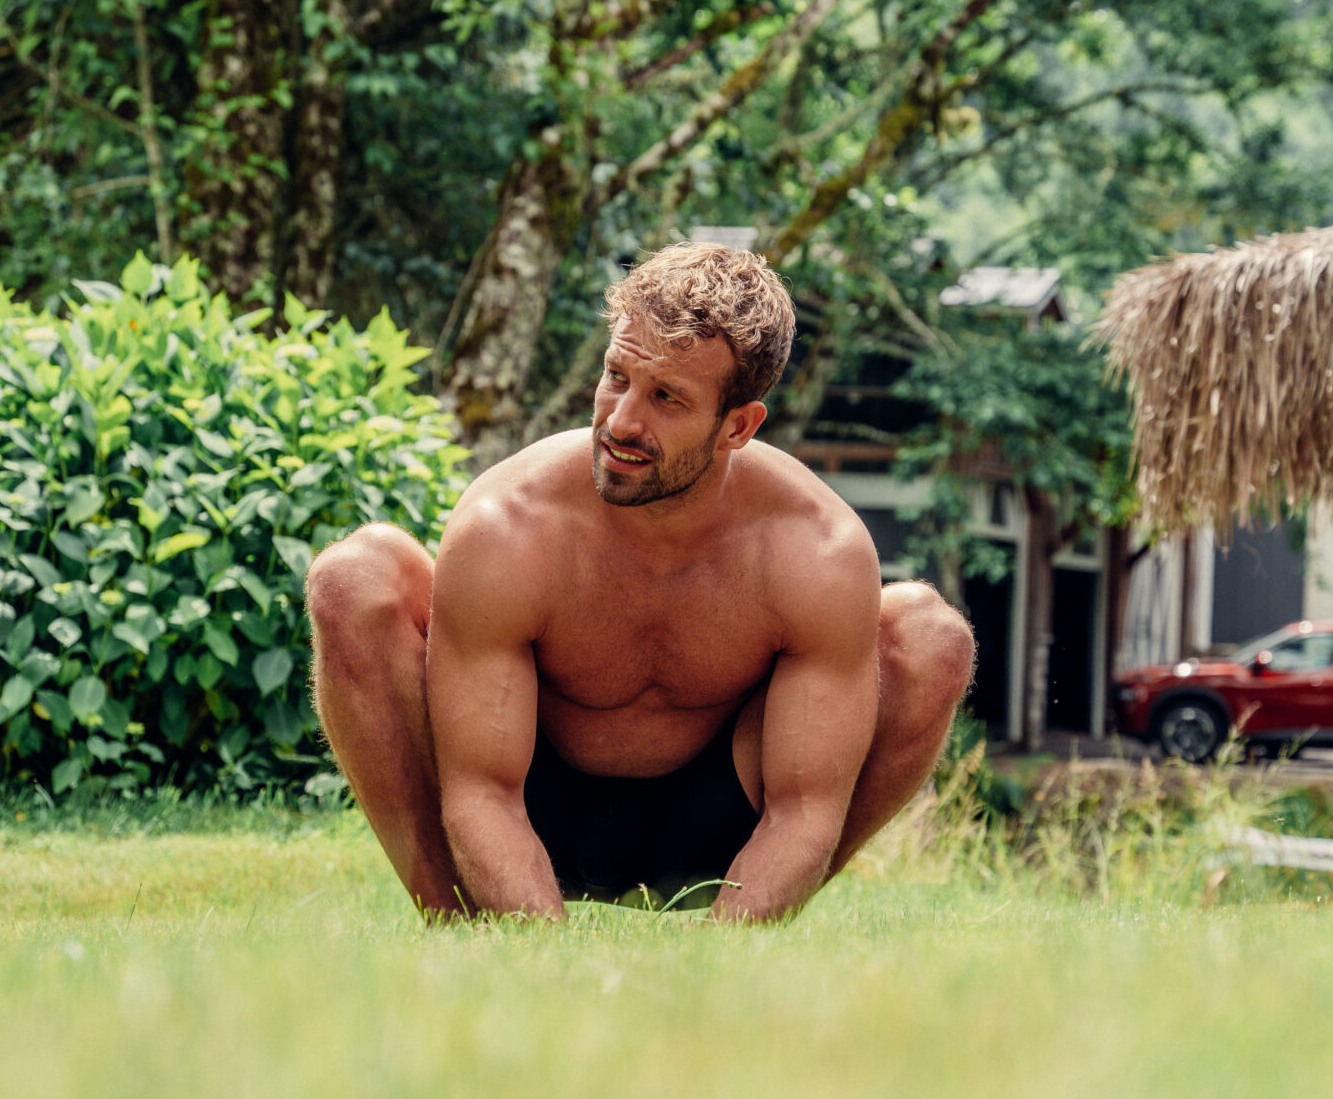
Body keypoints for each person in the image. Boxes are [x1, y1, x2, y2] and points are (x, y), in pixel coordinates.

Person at [306, 242, 977, 921]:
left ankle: (745, 931)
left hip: (718, 820)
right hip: (530, 799)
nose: (622, 421)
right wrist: (540, 958)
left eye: (666, 398)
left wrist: (717, 969)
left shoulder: (816, 550)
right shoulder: (511, 523)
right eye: (616, 377)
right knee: (353, 576)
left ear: (738, 426)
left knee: (931, 636)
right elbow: (482, 794)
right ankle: (458, 925)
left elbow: (804, 811)